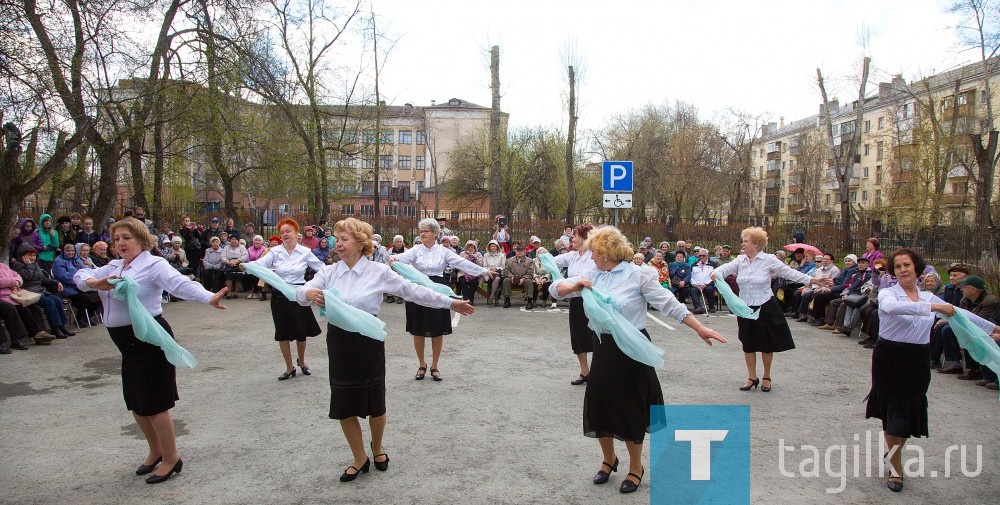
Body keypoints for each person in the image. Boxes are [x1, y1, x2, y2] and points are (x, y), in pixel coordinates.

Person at [551, 225, 726, 494]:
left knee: (631, 406)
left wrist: (699, 327)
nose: (590, 256)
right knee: (601, 403)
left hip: (633, 348)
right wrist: (574, 284)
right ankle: (609, 459)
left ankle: (636, 467)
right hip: (605, 347)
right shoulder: (592, 273)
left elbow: (669, 303)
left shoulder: (638, 274)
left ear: (605, 251)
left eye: (593, 251)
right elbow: (556, 288)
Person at [298, 218, 475, 482]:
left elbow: (414, 291)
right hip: (340, 343)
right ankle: (359, 458)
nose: (339, 244)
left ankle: (377, 447)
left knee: (375, 403)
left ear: (360, 243)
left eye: (345, 239)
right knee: (344, 404)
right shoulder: (330, 271)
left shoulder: (378, 272)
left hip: (368, 341)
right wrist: (309, 294)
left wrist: (450, 303)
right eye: (338, 239)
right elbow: (300, 292)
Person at [74, 217, 227, 484]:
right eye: (117, 238)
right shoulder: (113, 266)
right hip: (127, 346)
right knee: (136, 404)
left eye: (127, 238)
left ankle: (171, 457)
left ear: (142, 240)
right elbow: (79, 275)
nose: (120, 243)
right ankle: (155, 450)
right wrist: (94, 283)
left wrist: (208, 297)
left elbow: (181, 284)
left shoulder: (153, 264)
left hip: (150, 340)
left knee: (155, 404)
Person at [865, 248, 997, 493]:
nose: (903, 270)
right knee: (893, 411)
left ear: (917, 267)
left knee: (909, 410)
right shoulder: (888, 293)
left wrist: (992, 329)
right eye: (898, 267)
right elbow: (892, 309)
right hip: (890, 358)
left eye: (907, 265)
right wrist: (935, 309)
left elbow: (961, 314)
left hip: (917, 359)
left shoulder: (928, 297)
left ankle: (893, 452)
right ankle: (896, 467)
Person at [712, 227, 831, 392]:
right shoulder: (740, 260)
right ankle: (751, 377)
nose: (743, 244)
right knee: (748, 342)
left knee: (766, 343)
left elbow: (790, 273)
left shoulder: (769, 260)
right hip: (745, 307)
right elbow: (723, 269)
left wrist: (814, 280)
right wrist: (715, 272)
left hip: (765, 305)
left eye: (745, 241)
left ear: (756, 244)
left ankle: (767, 376)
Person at [388, 217, 487, 382]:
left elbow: (462, 263)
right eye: (421, 231)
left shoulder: (444, 251)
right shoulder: (415, 249)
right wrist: (393, 259)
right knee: (418, 327)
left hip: (438, 287)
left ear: (435, 233)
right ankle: (421, 364)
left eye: (426, 231)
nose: (423, 234)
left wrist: (483, 271)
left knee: (437, 328)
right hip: (418, 287)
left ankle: (435, 365)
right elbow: (401, 259)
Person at [246, 218, 325, 380]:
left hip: (299, 294)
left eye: (288, 231)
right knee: (282, 332)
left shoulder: (305, 252)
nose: (285, 234)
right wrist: (246, 266)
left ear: (297, 233)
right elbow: (259, 264)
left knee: (301, 332)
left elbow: (322, 269)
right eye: (282, 232)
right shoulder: (275, 252)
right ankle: (289, 367)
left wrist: (314, 283)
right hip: (280, 295)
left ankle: (302, 362)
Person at [552, 224, 597, 385]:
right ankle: (585, 371)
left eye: (576, 236)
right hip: (577, 301)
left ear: (585, 239)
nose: (573, 239)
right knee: (578, 336)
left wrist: (561, 286)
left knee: (596, 335)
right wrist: (543, 254)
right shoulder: (572, 255)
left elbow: (585, 277)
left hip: (593, 301)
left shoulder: (594, 257)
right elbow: (552, 261)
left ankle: (598, 372)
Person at [12, 244, 75, 339]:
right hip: (29, 293)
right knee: (49, 302)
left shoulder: (35, 265)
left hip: (41, 291)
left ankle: (62, 326)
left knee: (57, 300)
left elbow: (43, 279)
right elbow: (27, 277)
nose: (32, 258)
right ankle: (55, 328)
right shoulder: (18, 266)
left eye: (34, 255)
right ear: (23, 256)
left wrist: (56, 282)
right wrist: (29, 265)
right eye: (29, 255)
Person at [53, 243, 102, 321]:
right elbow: (63, 276)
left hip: (80, 284)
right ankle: (79, 319)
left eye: (72, 250)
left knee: (99, 295)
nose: (70, 252)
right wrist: (78, 281)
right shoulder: (59, 261)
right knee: (85, 299)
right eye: (67, 251)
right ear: (63, 251)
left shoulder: (76, 259)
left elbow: (84, 271)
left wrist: (85, 280)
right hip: (68, 287)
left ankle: (87, 317)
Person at [502, 244, 535, 308]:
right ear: (515, 252)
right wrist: (511, 277)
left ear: (524, 252)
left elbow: (530, 272)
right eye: (518, 250)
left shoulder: (530, 261)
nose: (519, 252)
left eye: (521, 250)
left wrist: (523, 279)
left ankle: (529, 301)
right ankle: (507, 300)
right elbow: (506, 271)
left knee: (529, 281)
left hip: (524, 280)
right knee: (506, 280)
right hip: (512, 279)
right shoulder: (509, 260)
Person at [456, 240, 484, 305]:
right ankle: (466, 299)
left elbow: (481, 265)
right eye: (469, 247)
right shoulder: (462, 253)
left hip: (474, 273)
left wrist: (476, 258)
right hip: (464, 272)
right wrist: (465, 259)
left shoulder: (478, 254)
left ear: (475, 248)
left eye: (472, 247)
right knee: (463, 281)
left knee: (475, 283)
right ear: (466, 247)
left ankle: (470, 299)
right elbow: (459, 265)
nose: (470, 248)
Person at [220, 235, 248, 299]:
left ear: (238, 240)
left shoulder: (242, 247)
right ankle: (229, 292)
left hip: (239, 262)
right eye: (232, 239)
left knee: (239, 275)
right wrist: (228, 262)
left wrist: (237, 261)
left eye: (235, 239)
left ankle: (236, 292)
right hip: (229, 263)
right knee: (228, 275)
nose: (234, 241)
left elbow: (245, 256)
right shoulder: (226, 247)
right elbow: (223, 257)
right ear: (230, 240)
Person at [482, 240, 506, 305]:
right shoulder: (486, 255)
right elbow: (484, 266)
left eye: (494, 246)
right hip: (489, 273)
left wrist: (496, 268)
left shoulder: (502, 255)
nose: (493, 247)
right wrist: (490, 270)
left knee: (498, 278)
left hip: (499, 273)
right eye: (491, 246)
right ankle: (496, 300)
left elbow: (503, 267)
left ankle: (491, 297)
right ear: (489, 247)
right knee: (496, 280)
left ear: (497, 247)